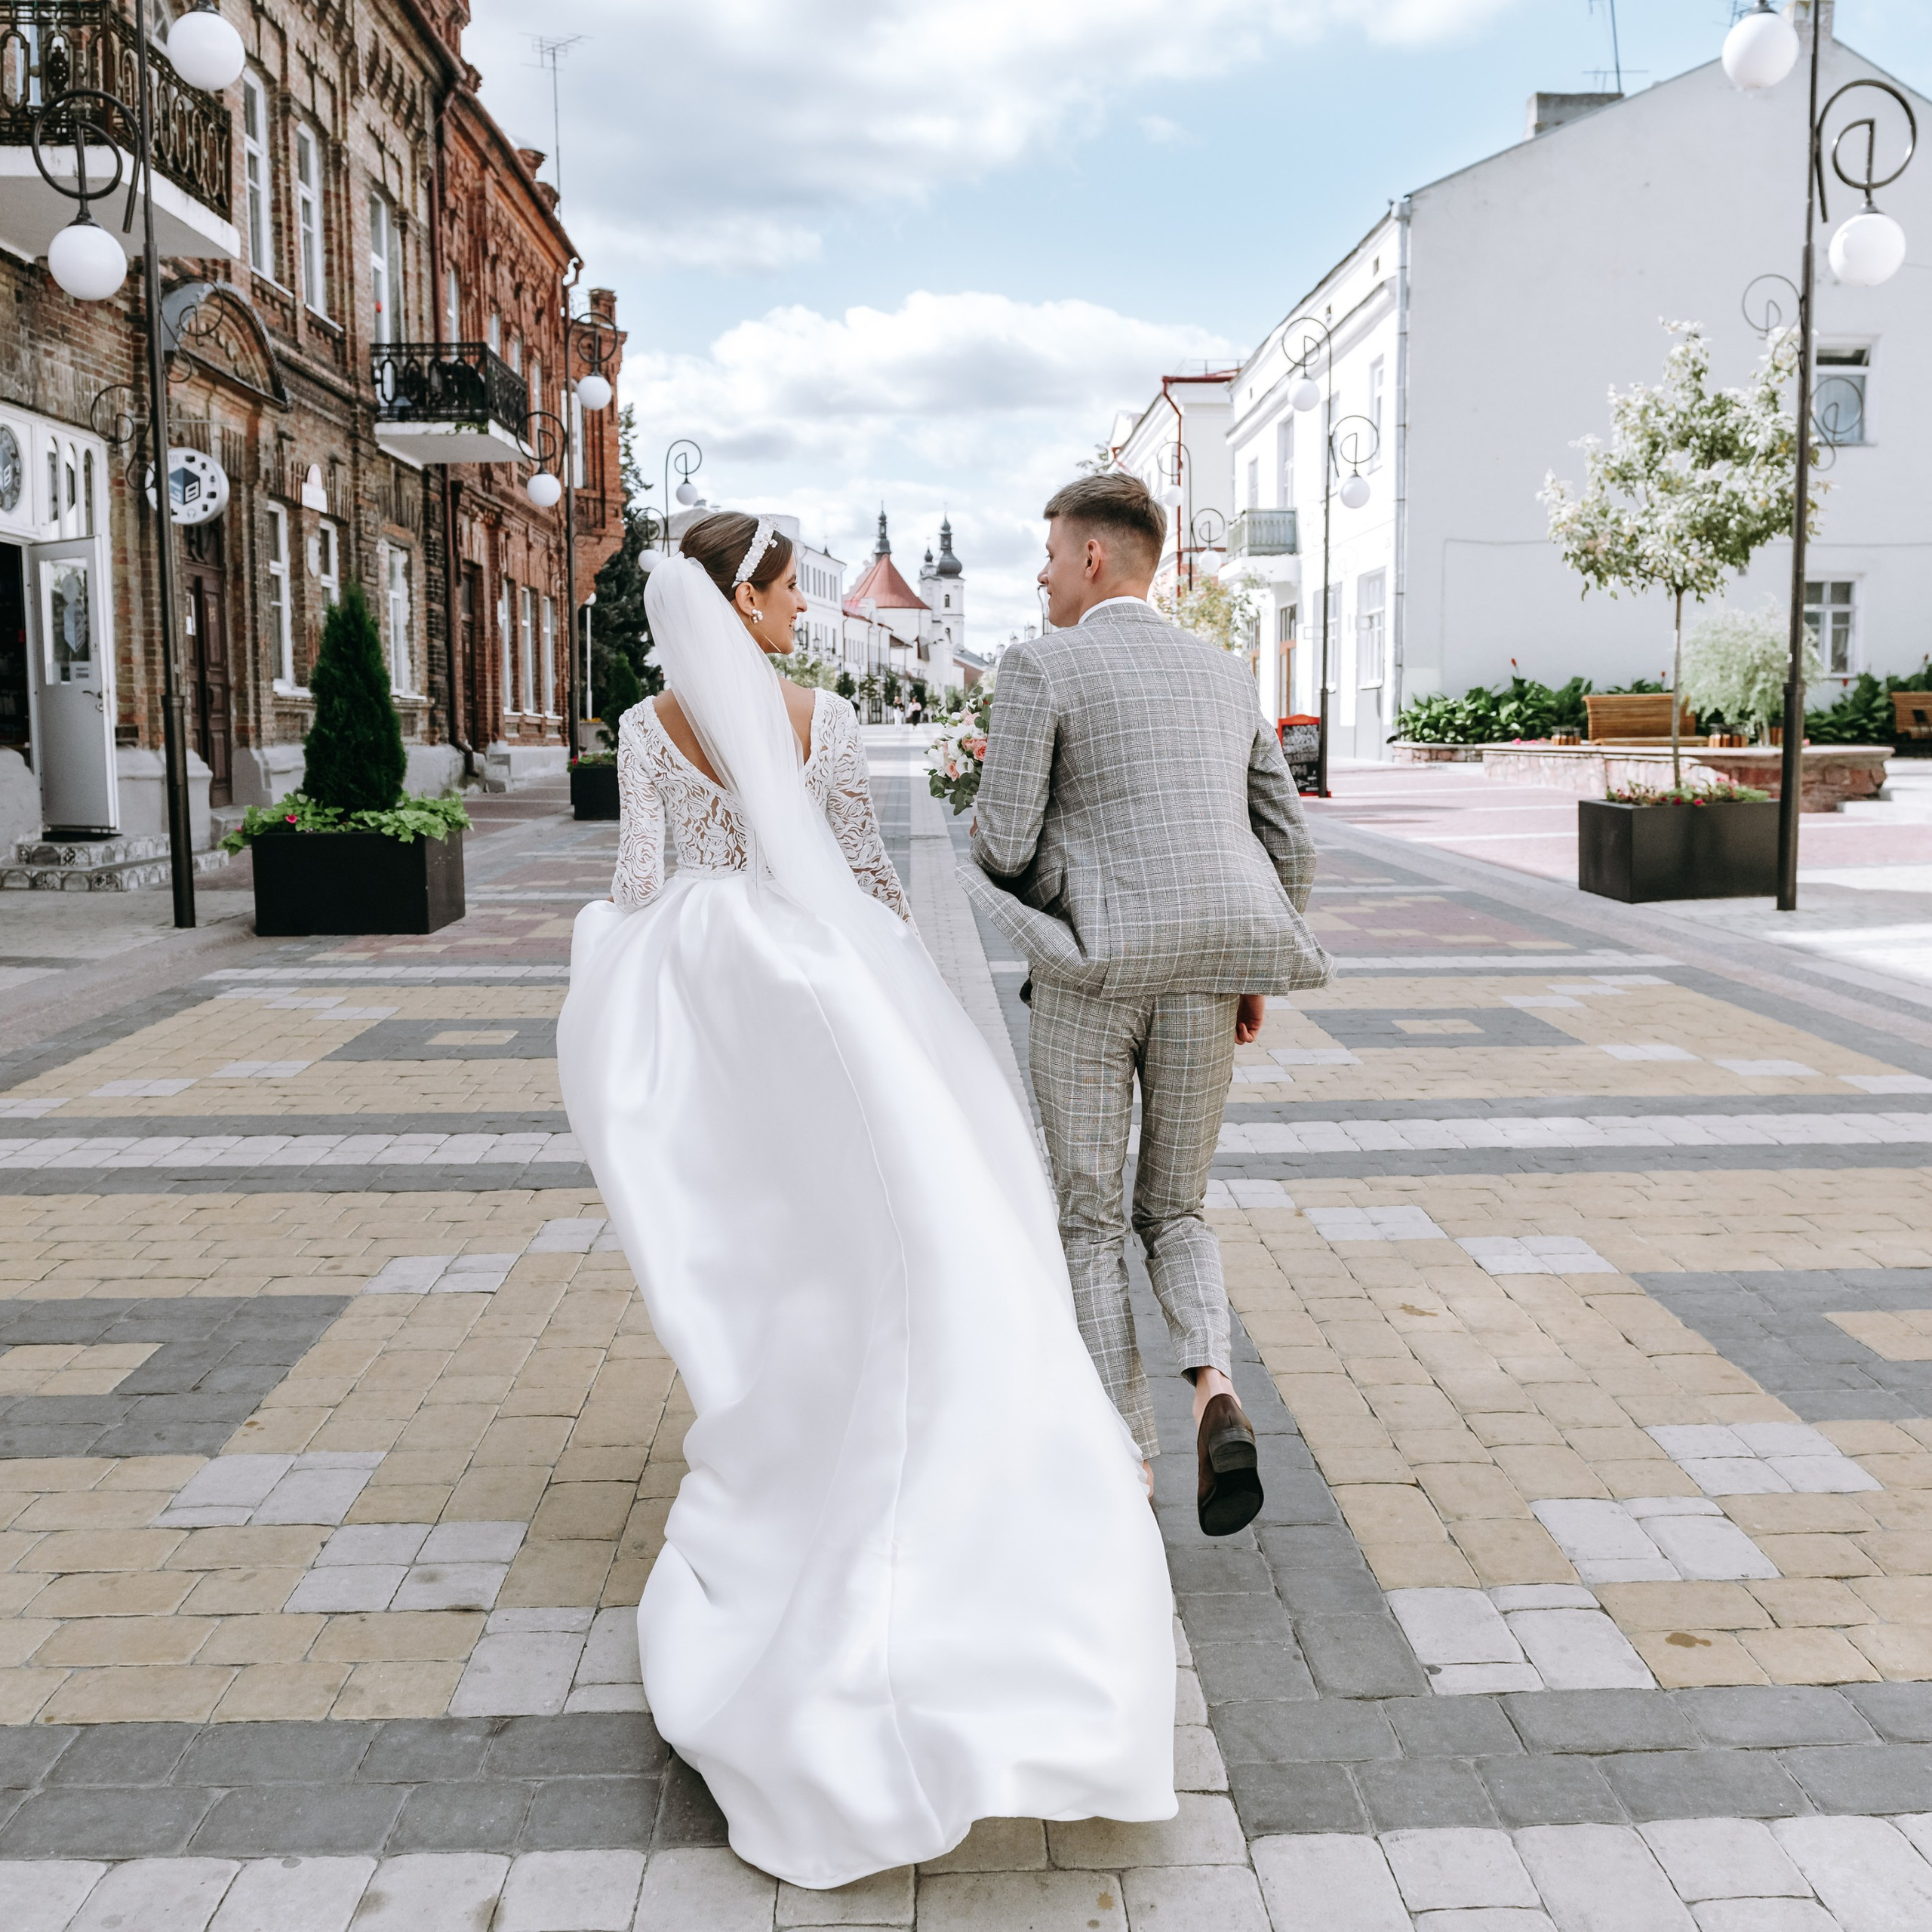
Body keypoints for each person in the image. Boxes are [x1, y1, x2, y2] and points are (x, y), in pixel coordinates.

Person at [556, 512, 1174, 1890]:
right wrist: (915, 978)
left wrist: (619, 983)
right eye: (782, 595)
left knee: (774, 1241)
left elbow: (642, 883)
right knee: (893, 1224)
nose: (790, 615)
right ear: (753, 601)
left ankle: (798, 1418)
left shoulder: (650, 729)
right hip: (821, 985)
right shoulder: (819, 716)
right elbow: (861, 870)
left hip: (712, 999)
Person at [962, 473, 1331, 1537]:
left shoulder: (1041, 667)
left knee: (1086, 1214)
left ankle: (1124, 1454)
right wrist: (1249, 969)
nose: (1038, 577)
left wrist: (1026, 876)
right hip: (1210, 975)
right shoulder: (1225, 672)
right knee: (1174, 1208)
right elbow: (1288, 839)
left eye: (1048, 555)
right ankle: (1216, 1386)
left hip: (1093, 976)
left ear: (1091, 559)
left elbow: (1007, 842)